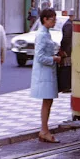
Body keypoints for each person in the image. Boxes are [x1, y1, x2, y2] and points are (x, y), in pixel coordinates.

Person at [30, 8, 62, 143]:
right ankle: (44, 130)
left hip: (47, 72)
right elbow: (40, 56)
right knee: (47, 102)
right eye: (52, 19)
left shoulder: (46, 33)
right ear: (45, 19)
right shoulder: (42, 34)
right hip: (45, 73)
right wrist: (54, 59)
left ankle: (44, 130)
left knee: (48, 102)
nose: (55, 22)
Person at [57, 9, 74, 93]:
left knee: (67, 68)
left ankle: (66, 86)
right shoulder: (69, 25)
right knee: (66, 68)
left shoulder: (69, 24)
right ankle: (65, 86)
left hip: (68, 49)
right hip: (68, 50)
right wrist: (64, 50)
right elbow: (66, 39)